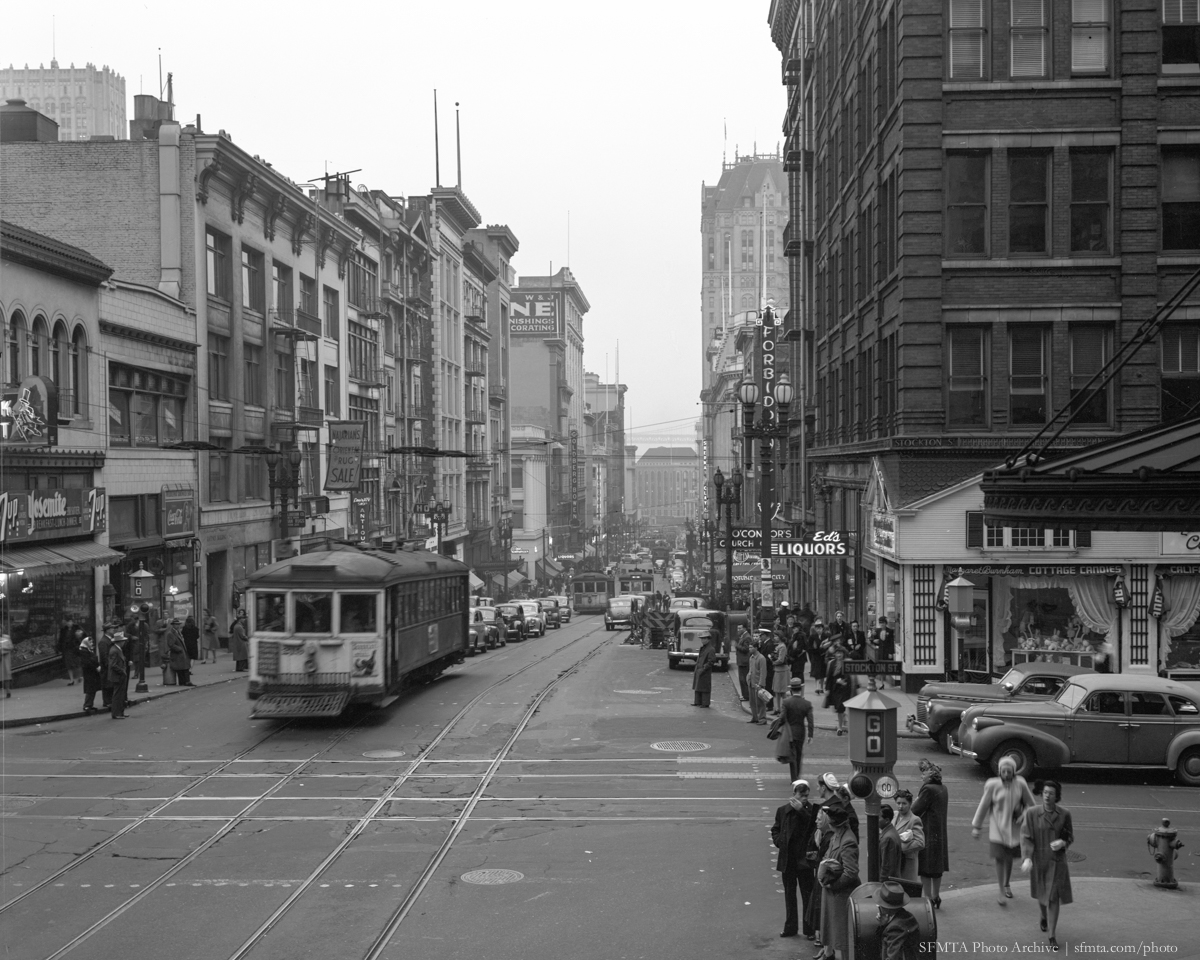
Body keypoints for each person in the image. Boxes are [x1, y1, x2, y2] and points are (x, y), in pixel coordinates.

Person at [972, 754, 1035, 904]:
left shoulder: (1020, 783)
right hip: (997, 828)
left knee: (1010, 858)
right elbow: (984, 806)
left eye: (1009, 771)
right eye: (1003, 771)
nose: (1006, 774)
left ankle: (1007, 883)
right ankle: (1001, 889)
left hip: (1015, 828)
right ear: (999, 771)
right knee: (1000, 858)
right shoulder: (992, 785)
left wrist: (1024, 815)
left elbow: (1031, 805)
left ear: (1014, 771)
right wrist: (977, 827)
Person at [1021, 779, 1074, 950]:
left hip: (1057, 861)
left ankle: (1052, 935)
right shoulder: (1032, 813)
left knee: (1053, 898)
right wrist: (1027, 857)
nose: (1047, 796)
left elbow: (1069, 836)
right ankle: (1043, 916)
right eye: (1045, 792)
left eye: (1051, 793)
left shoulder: (1065, 814)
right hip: (1038, 860)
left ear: (1056, 796)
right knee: (1042, 895)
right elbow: (1026, 836)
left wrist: (1063, 843)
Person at [772, 778, 818, 939]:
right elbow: (775, 829)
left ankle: (809, 929)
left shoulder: (811, 811)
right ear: (794, 794)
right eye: (802, 795)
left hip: (804, 860)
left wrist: (801, 810)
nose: (805, 798)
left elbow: (814, 826)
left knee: (807, 896)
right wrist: (779, 842)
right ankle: (790, 927)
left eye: (806, 795)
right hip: (788, 860)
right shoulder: (782, 810)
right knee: (789, 896)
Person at [816, 796, 859, 960]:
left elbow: (851, 872)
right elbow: (828, 856)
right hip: (832, 894)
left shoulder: (848, 841)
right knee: (834, 935)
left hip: (841, 895)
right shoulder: (836, 836)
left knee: (842, 938)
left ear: (835, 824)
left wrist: (832, 885)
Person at [913, 758, 949, 909]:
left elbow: (915, 810)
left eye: (923, 774)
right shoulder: (943, 788)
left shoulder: (928, 789)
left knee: (926, 867)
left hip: (927, 831)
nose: (921, 777)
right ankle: (936, 895)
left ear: (930, 776)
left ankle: (927, 897)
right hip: (939, 831)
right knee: (937, 867)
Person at [875, 881, 923, 960]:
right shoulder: (907, 916)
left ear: (885, 907)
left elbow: (893, 957)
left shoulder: (895, 928)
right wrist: (884, 925)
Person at [780, 677, 815, 782]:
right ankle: (798, 774)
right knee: (799, 754)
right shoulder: (807, 704)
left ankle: (794, 777)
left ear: (791, 690)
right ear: (801, 689)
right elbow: (810, 721)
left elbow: (782, 718)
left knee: (792, 755)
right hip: (800, 732)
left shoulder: (786, 702)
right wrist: (810, 735)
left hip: (789, 732)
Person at [893, 789, 925, 882]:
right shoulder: (894, 815)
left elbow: (920, 842)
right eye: (898, 803)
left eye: (904, 803)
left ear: (910, 804)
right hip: (895, 861)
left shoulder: (914, 820)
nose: (900, 806)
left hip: (907, 863)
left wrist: (898, 847)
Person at [823, 639, 852, 735]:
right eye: (837, 653)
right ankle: (843, 717)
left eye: (841, 653)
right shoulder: (832, 663)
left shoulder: (847, 663)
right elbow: (829, 677)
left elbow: (849, 677)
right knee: (837, 708)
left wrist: (844, 682)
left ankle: (839, 728)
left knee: (840, 708)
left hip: (844, 690)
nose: (839, 655)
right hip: (834, 689)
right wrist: (827, 689)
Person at [77, 627, 102, 714]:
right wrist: (96, 667)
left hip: (92, 672)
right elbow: (87, 662)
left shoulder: (88, 650)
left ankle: (90, 704)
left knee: (92, 689)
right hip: (89, 673)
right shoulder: (84, 651)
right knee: (90, 689)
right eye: (90, 642)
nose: (92, 643)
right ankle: (87, 705)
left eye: (92, 642)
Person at [747, 635, 769, 724]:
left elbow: (763, 672)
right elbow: (750, 670)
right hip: (751, 682)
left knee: (760, 702)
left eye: (751, 647)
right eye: (749, 647)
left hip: (758, 684)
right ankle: (755, 717)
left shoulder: (761, 658)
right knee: (752, 702)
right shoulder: (751, 658)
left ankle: (762, 718)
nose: (749, 649)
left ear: (756, 648)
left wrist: (761, 684)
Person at [878, 803, 903, 882]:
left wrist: (880, 883)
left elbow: (886, 868)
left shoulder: (888, 838)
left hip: (887, 884)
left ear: (887, 820)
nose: (875, 819)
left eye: (878, 817)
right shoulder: (891, 831)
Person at [692, 630, 716, 707]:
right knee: (698, 685)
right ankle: (697, 701)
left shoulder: (711, 649)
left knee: (704, 687)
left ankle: (705, 703)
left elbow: (711, 661)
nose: (702, 640)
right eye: (701, 638)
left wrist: (704, 668)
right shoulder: (703, 648)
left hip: (705, 670)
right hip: (699, 668)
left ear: (708, 639)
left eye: (703, 638)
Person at [108, 633, 129, 719]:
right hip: (117, 676)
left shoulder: (118, 649)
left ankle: (120, 712)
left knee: (121, 695)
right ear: (119, 642)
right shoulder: (114, 650)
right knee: (117, 695)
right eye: (123, 641)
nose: (124, 642)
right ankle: (116, 713)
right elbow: (113, 665)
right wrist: (122, 671)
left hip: (120, 676)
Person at [871, 616, 898, 687]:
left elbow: (891, 643)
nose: (882, 625)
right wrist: (874, 641)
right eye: (880, 623)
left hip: (887, 651)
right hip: (880, 651)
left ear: (886, 623)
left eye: (883, 623)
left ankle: (888, 681)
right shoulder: (877, 630)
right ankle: (882, 683)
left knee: (887, 666)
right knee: (881, 666)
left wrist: (891, 653)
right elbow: (872, 640)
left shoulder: (890, 631)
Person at [166, 619, 192, 686]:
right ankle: (184, 682)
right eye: (176, 624)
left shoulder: (178, 632)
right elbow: (171, 644)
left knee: (185, 668)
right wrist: (179, 649)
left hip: (182, 653)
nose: (178, 626)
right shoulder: (171, 633)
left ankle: (186, 682)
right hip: (177, 654)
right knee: (181, 669)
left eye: (178, 624)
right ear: (173, 625)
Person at [770, 632, 790, 715]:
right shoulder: (779, 646)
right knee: (777, 691)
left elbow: (781, 660)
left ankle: (784, 710)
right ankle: (777, 708)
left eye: (776, 636)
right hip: (778, 670)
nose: (774, 638)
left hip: (782, 670)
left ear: (780, 637)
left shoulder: (782, 646)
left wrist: (773, 661)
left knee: (782, 691)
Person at [97, 624, 116, 710]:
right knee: (107, 685)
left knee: (110, 684)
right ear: (107, 630)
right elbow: (104, 656)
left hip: (111, 666)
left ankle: (110, 701)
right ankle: (107, 702)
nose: (113, 630)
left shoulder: (110, 640)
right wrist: (109, 665)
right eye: (112, 628)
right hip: (107, 668)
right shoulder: (103, 641)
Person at [58, 616, 81, 686]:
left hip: (75, 649)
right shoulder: (64, 630)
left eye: (69, 621)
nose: (68, 623)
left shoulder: (77, 628)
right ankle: (71, 680)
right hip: (67, 649)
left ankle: (78, 677)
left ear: (72, 622)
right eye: (67, 622)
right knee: (68, 665)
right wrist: (59, 648)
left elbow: (82, 637)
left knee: (76, 664)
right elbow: (61, 640)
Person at [808, 618, 828, 695]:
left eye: (820, 628)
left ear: (822, 628)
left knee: (823, 672)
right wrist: (816, 650)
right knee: (817, 673)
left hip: (823, 657)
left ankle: (821, 687)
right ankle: (817, 688)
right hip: (815, 657)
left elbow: (828, 646)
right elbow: (809, 648)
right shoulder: (812, 637)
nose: (818, 630)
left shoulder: (826, 636)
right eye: (817, 628)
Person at [734, 625, 752, 701]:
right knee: (742, 679)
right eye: (737, 628)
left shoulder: (747, 637)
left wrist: (736, 646)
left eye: (740, 628)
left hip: (744, 661)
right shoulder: (743, 636)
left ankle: (746, 696)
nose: (738, 630)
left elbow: (746, 649)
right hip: (741, 661)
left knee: (744, 679)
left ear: (744, 628)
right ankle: (744, 695)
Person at [0, 632, 13, 698]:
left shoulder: (6, 638)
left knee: (6, 677)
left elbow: (10, 647)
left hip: (4, 661)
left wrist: (2, 650)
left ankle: (8, 691)